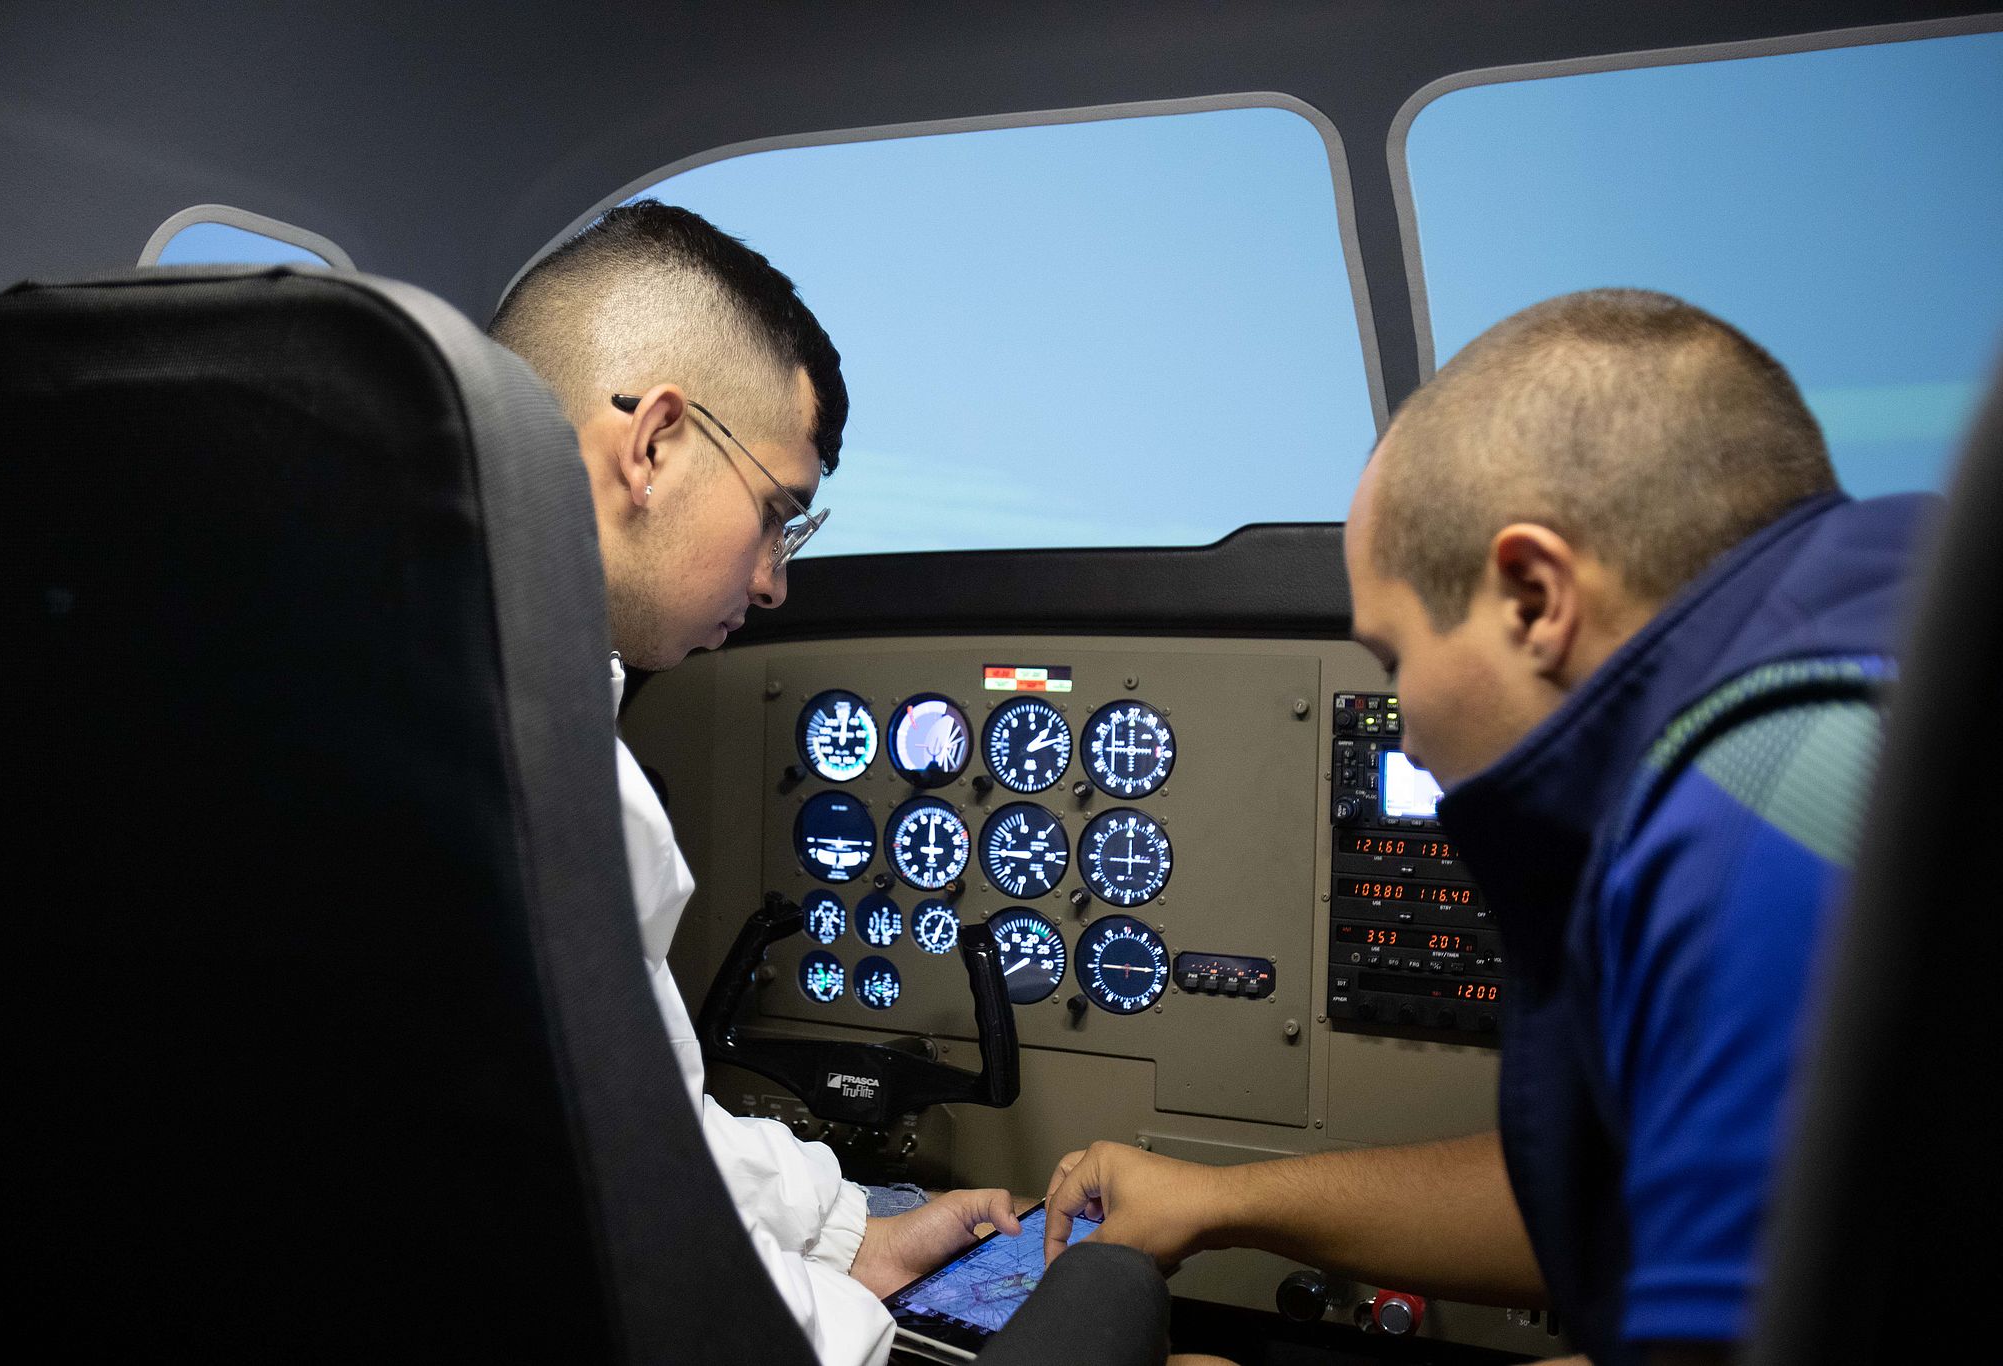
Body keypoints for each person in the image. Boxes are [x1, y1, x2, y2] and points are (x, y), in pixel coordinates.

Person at [1042, 290, 1936, 1366]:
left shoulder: (1749, 833)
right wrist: (1220, 1200)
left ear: (1530, 595)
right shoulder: (1877, 635)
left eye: (1392, 662)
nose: (1404, 740)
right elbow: (1622, 1186)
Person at [490, 201, 1020, 1366]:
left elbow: (635, 1117)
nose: (773, 580)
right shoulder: (545, 768)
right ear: (656, 440)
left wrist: (845, 1234)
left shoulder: (364, 677)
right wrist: (863, 1325)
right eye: (777, 513)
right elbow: (638, 1243)